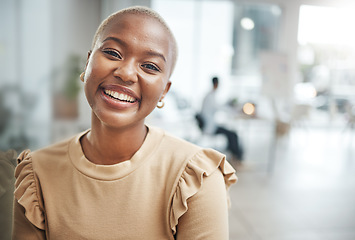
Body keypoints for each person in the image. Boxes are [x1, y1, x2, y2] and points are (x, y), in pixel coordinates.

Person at [12, 6, 237, 240]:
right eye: (112, 53)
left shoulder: (195, 178)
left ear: (164, 91)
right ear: (87, 63)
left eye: (149, 66)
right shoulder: (37, 173)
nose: (126, 73)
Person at [200, 76, 244, 162]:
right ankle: (237, 157)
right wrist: (233, 110)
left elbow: (218, 106)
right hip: (209, 126)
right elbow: (219, 107)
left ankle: (233, 155)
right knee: (232, 134)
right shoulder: (210, 96)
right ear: (217, 84)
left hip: (211, 124)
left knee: (230, 133)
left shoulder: (210, 95)